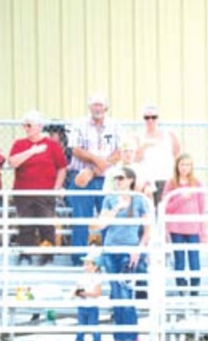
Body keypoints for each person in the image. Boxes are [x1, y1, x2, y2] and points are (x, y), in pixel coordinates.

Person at [67, 93, 123, 265]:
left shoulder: (115, 126)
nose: (97, 108)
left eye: (100, 105)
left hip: (107, 178)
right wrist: (96, 163)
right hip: (82, 178)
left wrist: (101, 165)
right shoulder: (78, 125)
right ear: (89, 107)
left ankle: (109, 256)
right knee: (81, 218)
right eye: (94, 105)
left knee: (108, 218)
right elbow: (75, 149)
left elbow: (120, 150)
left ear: (106, 107)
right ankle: (78, 258)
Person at [98, 167, 151, 341]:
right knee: (116, 293)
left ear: (130, 180)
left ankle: (131, 335)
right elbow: (101, 225)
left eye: (121, 178)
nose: (118, 182)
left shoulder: (139, 200)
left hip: (129, 251)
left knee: (125, 293)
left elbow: (147, 229)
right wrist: (116, 208)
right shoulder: (109, 199)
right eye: (116, 179)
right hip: (111, 250)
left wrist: (139, 248)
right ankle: (121, 337)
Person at [7, 110, 68, 265]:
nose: (26, 128)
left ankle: (47, 256)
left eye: (29, 125)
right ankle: (26, 255)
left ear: (39, 126)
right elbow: (13, 162)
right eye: (24, 125)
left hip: (45, 192)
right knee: (26, 224)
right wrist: (31, 151)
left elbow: (62, 167)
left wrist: (57, 187)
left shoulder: (51, 145)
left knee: (46, 224)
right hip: (23, 192)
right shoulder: (19, 144)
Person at [162, 154, 206, 296]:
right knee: (179, 258)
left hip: (193, 227)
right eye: (182, 165)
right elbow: (166, 207)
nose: (184, 168)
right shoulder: (171, 183)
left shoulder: (197, 183)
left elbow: (201, 207)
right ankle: (181, 285)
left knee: (194, 258)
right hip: (176, 228)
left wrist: (203, 230)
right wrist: (181, 198)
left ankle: (195, 287)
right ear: (177, 166)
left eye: (187, 165)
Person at [135, 103, 180, 205]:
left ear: (158, 118)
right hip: (147, 180)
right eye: (147, 117)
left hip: (166, 178)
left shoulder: (170, 134)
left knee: (165, 209)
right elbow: (135, 159)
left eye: (153, 117)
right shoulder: (138, 136)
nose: (150, 120)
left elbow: (177, 156)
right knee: (149, 210)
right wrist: (143, 147)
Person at [74, 251, 102, 341]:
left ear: (95, 266)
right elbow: (77, 288)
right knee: (81, 325)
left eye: (88, 264)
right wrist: (78, 293)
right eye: (84, 264)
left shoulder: (97, 278)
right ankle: (79, 340)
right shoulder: (81, 277)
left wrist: (85, 293)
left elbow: (97, 293)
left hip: (92, 305)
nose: (85, 266)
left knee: (94, 325)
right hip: (82, 304)